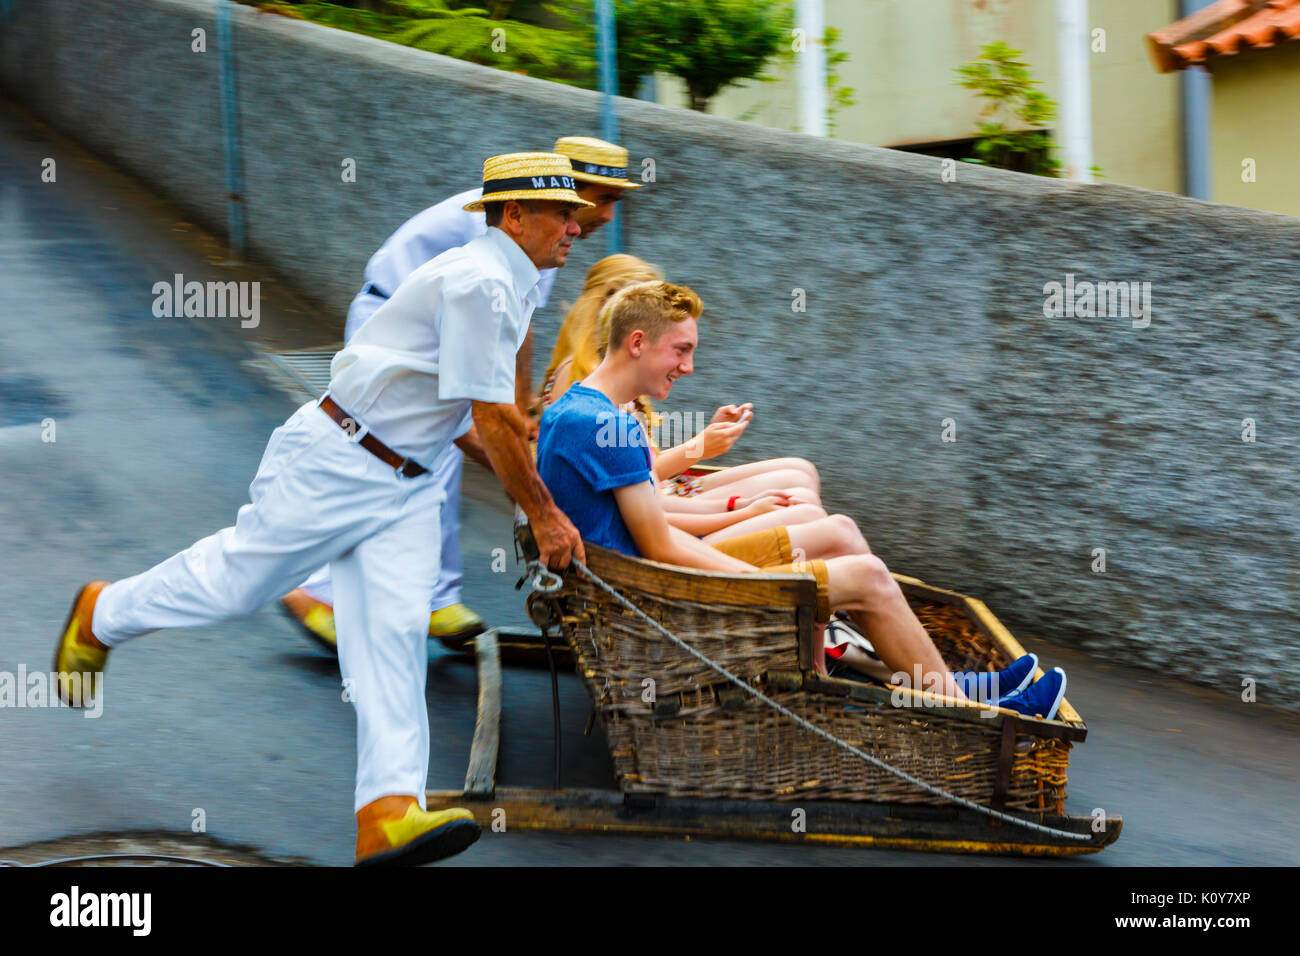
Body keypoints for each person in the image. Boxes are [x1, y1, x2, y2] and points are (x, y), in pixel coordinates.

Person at [54, 153, 589, 865]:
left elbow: (465, 416)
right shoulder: (481, 282)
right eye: (561, 213)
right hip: (339, 461)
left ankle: (388, 813)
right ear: (513, 215)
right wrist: (546, 514)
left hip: (402, 477)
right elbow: (492, 416)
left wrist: (534, 483)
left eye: (576, 213)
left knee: (392, 638)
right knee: (237, 581)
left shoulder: (511, 282)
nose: (576, 225)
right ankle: (102, 610)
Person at [536, 279, 1068, 719]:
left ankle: (948, 688)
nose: (689, 366)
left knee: (847, 554)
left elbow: (651, 530)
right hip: (657, 599)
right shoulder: (611, 425)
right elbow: (658, 545)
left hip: (637, 585)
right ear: (636, 343)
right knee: (872, 577)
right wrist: (763, 583)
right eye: (681, 350)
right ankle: (977, 715)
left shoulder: (576, 408)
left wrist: (745, 530)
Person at [281, 136, 644, 652]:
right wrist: (514, 439)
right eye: (601, 198)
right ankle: (318, 591)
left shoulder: (543, 224)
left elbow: (520, 326)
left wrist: (522, 414)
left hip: (438, 329)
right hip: (396, 324)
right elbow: (496, 341)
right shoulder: (511, 218)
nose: (605, 214)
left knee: (427, 462)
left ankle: (429, 596)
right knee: (406, 460)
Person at [537, 254, 826, 543]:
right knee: (799, 495)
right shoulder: (580, 380)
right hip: (656, 509)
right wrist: (702, 450)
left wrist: (708, 444)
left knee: (802, 471)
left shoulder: (610, 375)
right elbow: (634, 483)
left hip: (661, 495)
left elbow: (640, 468)